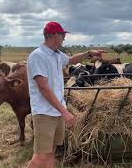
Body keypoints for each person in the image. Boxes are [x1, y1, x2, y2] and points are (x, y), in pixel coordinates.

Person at [26, 21, 106, 168]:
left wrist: (88, 53)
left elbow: (70, 60)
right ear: (54, 35)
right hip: (44, 113)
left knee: (52, 152)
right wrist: (65, 112)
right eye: (62, 35)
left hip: (56, 112)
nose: (64, 38)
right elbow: (44, 88)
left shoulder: (56, 55)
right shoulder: (38, 56)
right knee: (41, 156)